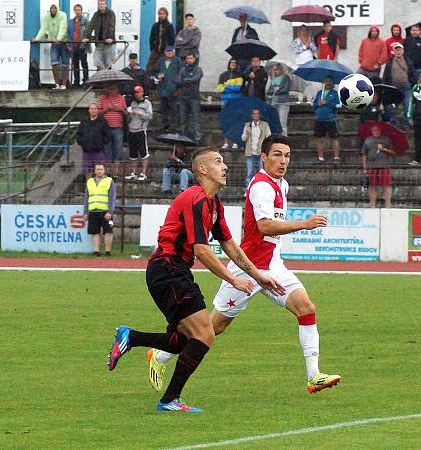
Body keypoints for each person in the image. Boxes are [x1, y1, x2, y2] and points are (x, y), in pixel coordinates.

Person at [147, 137, 341, 396]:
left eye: (287, 155)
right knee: (212, 329)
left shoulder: (281, 185)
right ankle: (160, 356)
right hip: (248, 268)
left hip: (273, 265)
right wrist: (304, 224)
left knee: (306, 308)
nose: (283, 161)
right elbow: (265, 226)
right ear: (263, 157)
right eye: (277, 155)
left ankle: (314, 375)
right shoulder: (261, 186)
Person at [107, 147, 283, 413]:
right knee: (205, 334)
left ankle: (130, 337)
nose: (224, 167)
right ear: (202, 170)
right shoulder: (195, 198)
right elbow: (201, 250)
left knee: (182, 341)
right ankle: (169, 400)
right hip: (167, 269)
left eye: (224, 162)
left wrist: (258, 276)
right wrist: (233, 280)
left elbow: (230, 246)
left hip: (173, 271)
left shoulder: (214, 204)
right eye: (218, 162)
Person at [32, 4, 69, 90]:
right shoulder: (47, 17)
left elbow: (63, 27)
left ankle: (64, 84)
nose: (53, 9)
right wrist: (37, 38)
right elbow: (43, 28)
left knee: (65, 65)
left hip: (64, 42)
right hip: (54, 43)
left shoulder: (63, 15)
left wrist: (59, 38)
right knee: (54, 64)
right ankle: (56, 84)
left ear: (57, 9)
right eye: (52, 8)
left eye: (55, 8)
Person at [84, 163, 115, 257]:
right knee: (95, 232)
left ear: (104, 170)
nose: (99, 171)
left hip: (105, 211)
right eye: (97, 169)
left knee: (108, 231)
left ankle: (107, 251)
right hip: (93, 210)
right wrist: (86, 212)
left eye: (101, 169)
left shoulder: (109, 181)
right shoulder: (89, 181)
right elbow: (86, 197)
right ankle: (96, 251)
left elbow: (112, 197)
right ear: (94, 170)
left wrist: (110, 211)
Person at [361, 124, 396, 207]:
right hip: (371, 166)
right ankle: (373, 204)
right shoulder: (367, 140)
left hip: (384, 166)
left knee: (387, 185)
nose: (376, 132)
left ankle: (388, 204)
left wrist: (384, 149)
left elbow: (393, 153)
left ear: (380, 130)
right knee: (371, 186)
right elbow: (363, 154)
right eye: (374, 130)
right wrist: (365, 167)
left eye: (377, 130)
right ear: (371, 131)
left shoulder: (386, 140)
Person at [382, 43, 416, 129]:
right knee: (392, 108)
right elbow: (385, 76)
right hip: (393, 89)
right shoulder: (389, 63)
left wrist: (411, 83)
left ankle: (405, 124)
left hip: (406, 88)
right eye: (396, 50)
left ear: (403, 51)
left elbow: (413, 75)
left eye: (400, 50)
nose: (398, 52)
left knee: (407, 106)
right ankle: (392, 123)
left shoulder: (408, 62)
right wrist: (385, 87)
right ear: (394, 51)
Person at [124, 86, 152, 182]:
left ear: (142, 92)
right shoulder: (133, 103)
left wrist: (139, 113)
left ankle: (143, 173)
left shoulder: (147, 103)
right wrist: (130, 115)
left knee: (144, 152)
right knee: (132, 153)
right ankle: (133, 173)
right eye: (135, 92)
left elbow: (149, 116)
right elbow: (128, 118)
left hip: (141, 130)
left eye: (138, 92)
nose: (136, 94)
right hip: (132, 129)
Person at [97, 83, 127, 168]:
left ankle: (116, 170)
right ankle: (108, 170)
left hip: (118, 127)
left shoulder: (121, 98)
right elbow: (98, 114)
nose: (113, 91)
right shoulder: (103, 98)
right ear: (108, 89)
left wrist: (120, 110)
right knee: (107, 149)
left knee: (118, 148)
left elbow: (126, 114)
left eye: (115, 89)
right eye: (111, 89)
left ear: (117, 89)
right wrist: (107, 109)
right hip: (106, 128)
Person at [312, 76, 341, 162]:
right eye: (326, 81)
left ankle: (336, 157)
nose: (328, 83)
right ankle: (320, 158)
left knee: (334, 139)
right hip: (319, 119)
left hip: (330, 119)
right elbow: (313, 104)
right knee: (319, 138)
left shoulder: (335, 94)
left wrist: (327, 102)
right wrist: (318, 104)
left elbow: (338, 105)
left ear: (332, 83)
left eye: (329, 81)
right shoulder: (319, 93)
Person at [176, 53, 203, 143]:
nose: (189, 60)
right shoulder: (183, 69)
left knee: (196, 119)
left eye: (191, 58)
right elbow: (178, 81)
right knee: (183, 119)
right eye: (187, 58)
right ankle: (184, 137)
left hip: (194, 97)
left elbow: (195, 79)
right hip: (183, 97)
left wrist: (186, 80)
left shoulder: (198, 69)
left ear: (194, 59)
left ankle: (198, 138)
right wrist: (187, 80)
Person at [154, 46, 181, 131]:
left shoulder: (178, 61)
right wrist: (158, 76)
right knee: (163, 107)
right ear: (165, 52)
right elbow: (155, 71)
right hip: (162, 87)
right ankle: (164, 124)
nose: (169, 53)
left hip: (173, 87)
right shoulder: (160, 60)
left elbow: (181, 74)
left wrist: (178, 88)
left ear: (174, 52)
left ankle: (173, 125)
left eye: (171, 51)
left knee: (173, 108)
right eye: (167, 51)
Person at [77, 103, 110, 175]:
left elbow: (107, 135)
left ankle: (101, 186)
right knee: (87, 171)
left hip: (98, 151)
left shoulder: (103, 121)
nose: (93, 110)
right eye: (91, 108)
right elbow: (79, 134)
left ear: (98, 110)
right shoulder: (84, 121)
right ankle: (89, 186)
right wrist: (82, 143)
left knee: (100, 172)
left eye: (95, 109)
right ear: (89, 110)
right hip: (86, 151)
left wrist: (100, 144)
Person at [241, 108, 271, 186]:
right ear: (252, 115)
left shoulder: (265, 125)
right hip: (250, 152)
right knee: (249, 172)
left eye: (257, 114)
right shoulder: (248, 125)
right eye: (254, 114)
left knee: (262, 172)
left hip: (261, 152)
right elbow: (243, 138)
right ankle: (248, 190)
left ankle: (262, 186)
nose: (256, 115)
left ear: (259, 115)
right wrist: (247, 133)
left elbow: (269, 137)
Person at [84, 0, 116, 71]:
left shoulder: (111, 13)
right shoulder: (96, 14)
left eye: (103, 4)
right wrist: (86, 37)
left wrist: (110, 37)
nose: (101, 5)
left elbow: (112, 26)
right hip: (99, 42)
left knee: (108, 63)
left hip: (108, 43)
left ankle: (107, 80)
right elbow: (90, 26)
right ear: (98, 5)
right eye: (100, 4)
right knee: (96, 61)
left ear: (105, 5)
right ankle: (105, 72)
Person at [147, 7, 175, 75]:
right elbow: (151, 38)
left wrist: (168, 50)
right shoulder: (155, 26)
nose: (161, 15)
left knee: (163, 69)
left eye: (163, 14)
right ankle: (149, 83)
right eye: (160, 14)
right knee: (149, 68)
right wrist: (152, 48)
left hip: (165, 52)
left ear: (166, 15)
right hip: (155, 51)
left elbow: (172, 40)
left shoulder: (169, 26)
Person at [68, 4, 90, 88]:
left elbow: (88, 32)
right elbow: (68, 33)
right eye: (76, 10)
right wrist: (68, 44)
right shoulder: (71, 21)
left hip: (82, 45)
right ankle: (76, 81)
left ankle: (86, 81)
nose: (77, 11)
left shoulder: (85, 20)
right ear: (74, 11)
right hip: (73, 45)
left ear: (81, 11)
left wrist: (85, 40)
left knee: (84, 64)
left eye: (79, 10)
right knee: (75, 65)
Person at [267, 63, 291, 136]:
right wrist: (275, 90)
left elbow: (286, 89)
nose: (276, 71)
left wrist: (278, 89)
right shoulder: (273, 79)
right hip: (274, 102)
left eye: (277, 70)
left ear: (281, 70)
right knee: (275, 122)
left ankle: (283, 139)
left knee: (282, 122)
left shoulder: (286, 78)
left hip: (283, 102)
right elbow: (268, 91)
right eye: (275, 70)